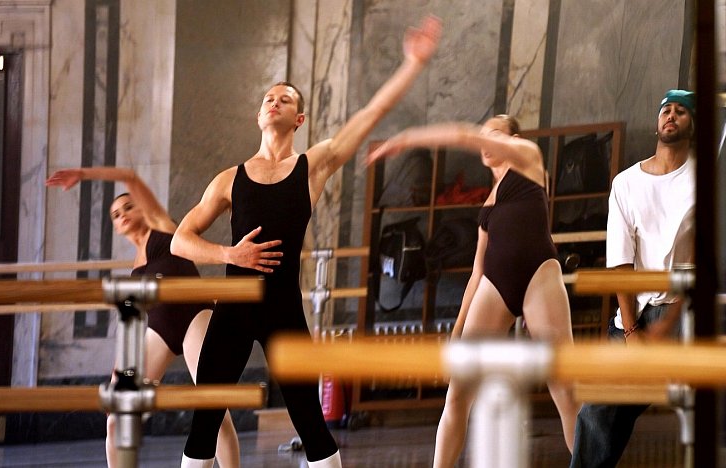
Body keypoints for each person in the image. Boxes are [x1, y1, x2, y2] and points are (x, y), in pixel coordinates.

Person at [170, 15, 442, 468]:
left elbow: (368, 116)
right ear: (259, 116)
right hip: (234, 307)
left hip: (283, 308)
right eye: (268, 98)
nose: (273, 102)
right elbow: (180, 240)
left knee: (311, 424)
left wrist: (412, 64)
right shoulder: (228, 179)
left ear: (298, 119)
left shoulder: (312, 166)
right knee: (203, 424)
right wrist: (229, 254)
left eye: (284, 99)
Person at [367, 114, 581, 466]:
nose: (485, 141)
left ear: (513, 139)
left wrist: (409, 136)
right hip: (495, 286)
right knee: (457, 393)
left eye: (494, 134)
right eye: (484, 136)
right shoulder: (488, 204)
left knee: (565, 388)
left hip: (539, 277)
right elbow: (478, 271)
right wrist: (457, 330)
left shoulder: (529, 158)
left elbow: (462, 134)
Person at [45, 167, 240, 468]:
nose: (122, 215)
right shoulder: (135, 268)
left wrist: (82, 174)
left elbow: (130, 177)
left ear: (142, 207)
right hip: (159, 331)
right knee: (116, 416)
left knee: (214, 406)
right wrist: (119, 368)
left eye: (128, 207)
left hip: (196, 317)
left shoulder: (163, 227)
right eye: (115, 214)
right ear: (115, 227)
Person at [569, 89, 697, 467]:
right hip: (634, 313)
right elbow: (620, 262)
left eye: (681, 111)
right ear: (657, 123)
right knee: (598, 411)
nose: (671, 115)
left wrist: (666, 327)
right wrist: (630, 331)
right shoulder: (626, 183)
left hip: (680, 312)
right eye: (666, 110)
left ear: (692, 124)